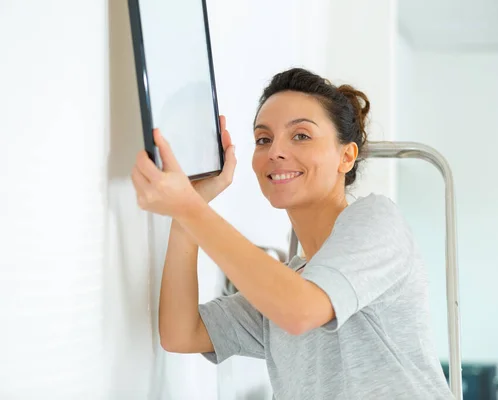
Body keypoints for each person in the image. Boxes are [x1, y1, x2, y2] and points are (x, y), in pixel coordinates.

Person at [131, 68, 454, 399]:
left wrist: (189, 209)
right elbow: (181, 333)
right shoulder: (288, 285)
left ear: (346, 156)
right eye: (263, 139)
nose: (275, 152)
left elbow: (301, 311)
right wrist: (187, 211)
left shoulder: (377, 220)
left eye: (301, 135)